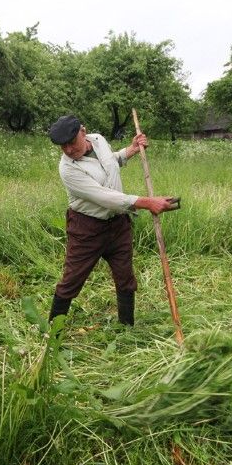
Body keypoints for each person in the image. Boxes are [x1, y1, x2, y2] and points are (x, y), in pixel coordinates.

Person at [48, 115, 175, 326]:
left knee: (125, 278)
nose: (69, 150)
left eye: (71, 143)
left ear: (83, 131)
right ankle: (52, 333)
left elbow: (110, 162)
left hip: (118, 226)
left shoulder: (98, 139)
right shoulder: (68, 169)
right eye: (63, 147)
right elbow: (106, 198)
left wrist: (131, 150)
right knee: (71, 281)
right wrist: (147, 202)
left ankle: (127, 328)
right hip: (86, 230)